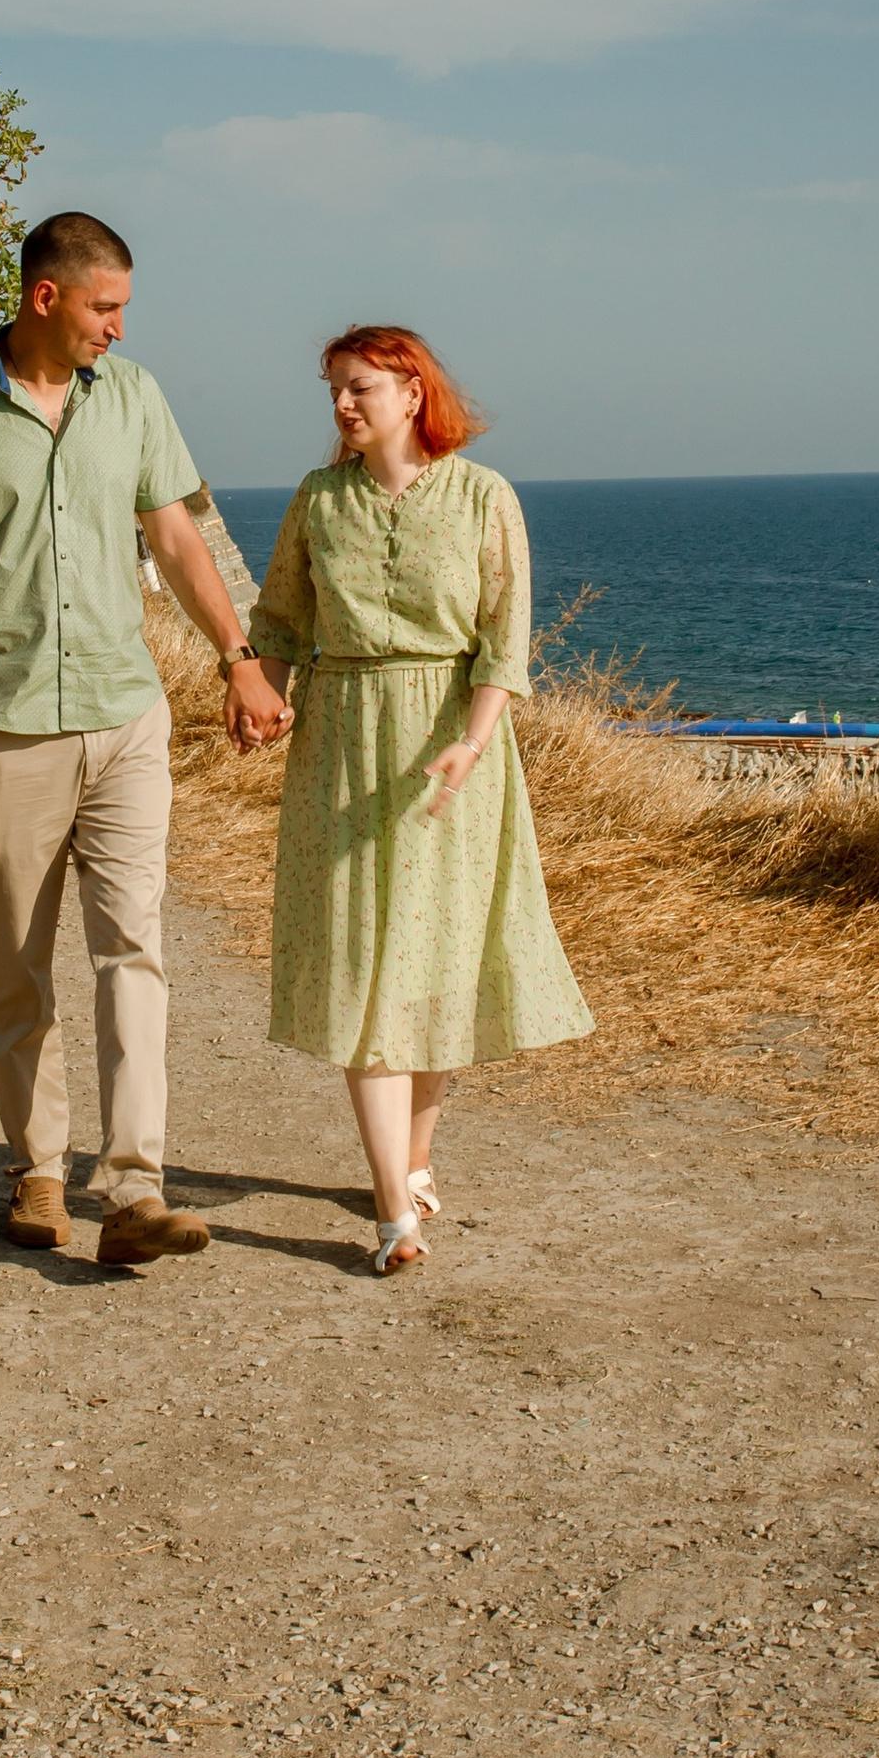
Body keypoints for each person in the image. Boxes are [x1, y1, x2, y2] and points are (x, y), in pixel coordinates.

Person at [0, 211, 290, 1266]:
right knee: (14, 962)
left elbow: (175, 535)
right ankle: (36, 1172)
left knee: (132, 949)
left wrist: (236, 657)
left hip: (126, 719)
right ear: (46, 298)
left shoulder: (135, 396)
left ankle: (136, 1190)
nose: (118, 327)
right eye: (105, 307)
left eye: (124, 309)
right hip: (6, 729)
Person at [247, 324, 591, 1273]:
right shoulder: (319, 500)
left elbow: (503, 645)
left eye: (359, 389)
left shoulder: (485, 497)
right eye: (334, 393)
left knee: (434, 960)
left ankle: (417, 1160)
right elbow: (280, 616)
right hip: (344, 742)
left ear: (412, 391)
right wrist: (263, 691)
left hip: (453, 749)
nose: (342, 407)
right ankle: (396, 1211)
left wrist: (472, 744)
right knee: (364, 965)